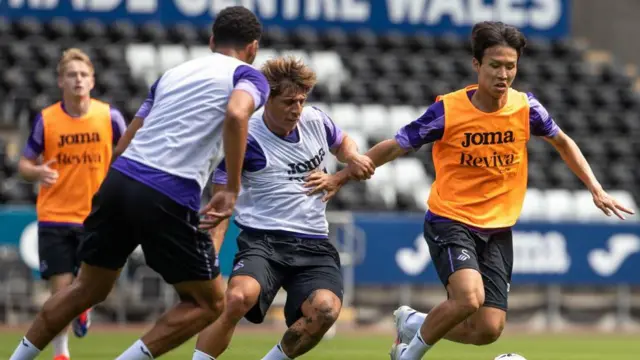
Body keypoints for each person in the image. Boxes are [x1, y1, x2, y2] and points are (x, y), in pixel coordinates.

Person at [308, 21, 635, 360]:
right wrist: (342, 176)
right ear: (477, 65)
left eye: (510, 66)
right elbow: (397, 145)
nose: (503, 74)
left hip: (497, 229)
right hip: (451, 219)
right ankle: (407, 355)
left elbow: (563, 142)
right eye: (495, 65)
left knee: (487, 330)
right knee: (467, 299)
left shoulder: (526, 108)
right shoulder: (448, 111)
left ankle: (413, 322)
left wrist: (596, 188)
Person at [9, 6, 270, 360]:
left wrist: (114, 193)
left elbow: (124, 144)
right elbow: (238, 113)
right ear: (253, 48)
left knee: (86, 288)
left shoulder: (173, 74)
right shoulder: (249, 76)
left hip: (120, 178)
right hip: (168, 189)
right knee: (209, 303)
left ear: (211, 41)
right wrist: (232, 190)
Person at [191, 57, 375, 360]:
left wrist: (351, 158)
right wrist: (211, 257)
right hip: (263, 241)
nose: (297, 109)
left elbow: (344, 143)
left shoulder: (316, 120)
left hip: (314, 243)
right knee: (237, 298)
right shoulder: (244, 136)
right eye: (289, 102)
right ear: (267, 100)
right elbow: (221, 202)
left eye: (301, 100)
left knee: (326, 311)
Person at [17, 48, 127, 360]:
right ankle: (62, 353)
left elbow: (129, 152)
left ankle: (84, 309)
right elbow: (24, 165)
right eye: (71, 75)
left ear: (92, 80)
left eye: (83, 74)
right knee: (60, 291)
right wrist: (37, 171)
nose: (78, 79)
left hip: (95, 217)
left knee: (88, 286)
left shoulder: (110, 117)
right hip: (54, 216)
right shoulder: (47, 120)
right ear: (60, 82)